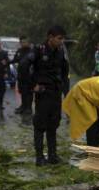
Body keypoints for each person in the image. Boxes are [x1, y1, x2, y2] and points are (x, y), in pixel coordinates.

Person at [22, 25, 69, 166]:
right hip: (43, 92)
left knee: (53, 124)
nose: (61, 41)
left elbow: (65, 73)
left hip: (55, 93)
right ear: (50, 37)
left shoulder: (61, 51)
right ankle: (39, 157)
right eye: (59, 38)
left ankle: (53, 155)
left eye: (63, 39)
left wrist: (66, 93)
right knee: (40, 124)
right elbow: (23, 66)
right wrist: (32, 86)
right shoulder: (38, 50)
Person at [13, 36, 34, 115]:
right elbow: (15, 59)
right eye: (22, 42)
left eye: (25, 42)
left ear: (28, 43)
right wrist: (7, 62)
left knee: (29, 92)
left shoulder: (32, 52)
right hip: (21, 75)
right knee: (22, 91)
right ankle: (23, 106)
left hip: (29, 76)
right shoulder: (19, 51)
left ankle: (29, 108)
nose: (23, 43)